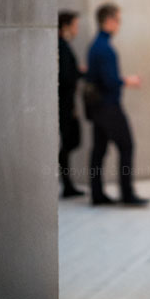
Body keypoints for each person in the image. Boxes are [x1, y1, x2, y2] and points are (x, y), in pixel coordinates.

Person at [87, 3, 149, 206]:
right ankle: (127, 194)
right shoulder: (105, 49)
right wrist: (128, 81)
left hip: (99, 108)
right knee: (126, 147)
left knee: (99, 150)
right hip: (109, 107)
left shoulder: (96, 45)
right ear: (109, 21)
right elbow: (109, 81)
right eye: (118, 20)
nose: (119, 25)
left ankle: (97, 194)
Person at [58, 10, 85, 198]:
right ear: (66, 26)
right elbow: (66, 77)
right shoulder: (61, 46)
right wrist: (78, 72)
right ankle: (67, 184)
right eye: (75, 25)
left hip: (66, 103)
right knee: (69, 142)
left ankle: (67, 184)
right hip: (64, 104)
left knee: (70, 143)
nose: (77, 29)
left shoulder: (63, 46)